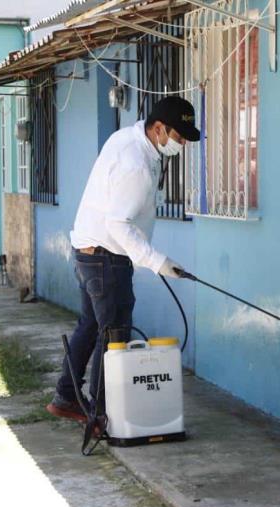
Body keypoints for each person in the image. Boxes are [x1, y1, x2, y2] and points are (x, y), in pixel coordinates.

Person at [46, 96, 201, 422]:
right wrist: (157, 261)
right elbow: (118, 224)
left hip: (90, 251)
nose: (183, 143)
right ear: (159, 128)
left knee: (91, 325)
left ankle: (66, 396)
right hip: (105, 257)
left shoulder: (130, 139)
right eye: (179, 136)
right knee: (114, 335)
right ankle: (104, 414)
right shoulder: (137, 165)